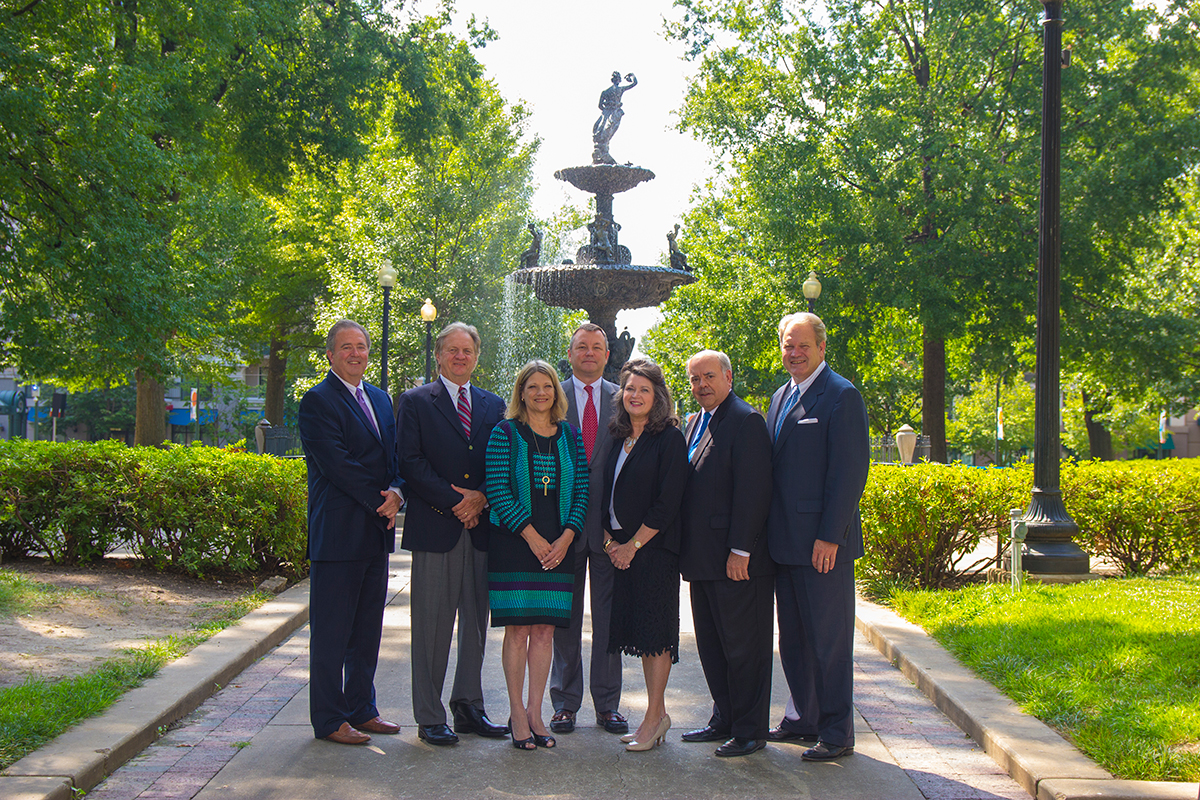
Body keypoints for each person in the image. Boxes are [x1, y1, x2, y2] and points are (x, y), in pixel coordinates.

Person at [396, 322, 509, 746]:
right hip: (436, 527)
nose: (461, 357)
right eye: (453, 350)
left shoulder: (494, 404)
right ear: (440, 355)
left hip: (481, 530)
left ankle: (468, 707)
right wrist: (455, 501)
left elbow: (500, 460)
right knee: (432, 626)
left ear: (477, 356)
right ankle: (429, 715)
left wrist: (480, 497)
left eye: (468, 351)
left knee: (475, 625)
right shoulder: (415, 401)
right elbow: (409, 460)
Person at [766, 312, 870, 761]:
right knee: (793, 639)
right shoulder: (779, 396)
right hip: (784, 545)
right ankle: (803, 717)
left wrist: (831, 536)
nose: (795, 352)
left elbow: (849, 474)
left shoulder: (842, 396)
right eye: (789, 345)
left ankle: (836, 732)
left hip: (823, 546)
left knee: (828, 642)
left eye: (803, 345)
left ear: (822, 348)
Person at [298, 320, 404, 745]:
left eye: (361, 347)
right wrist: (382, 500)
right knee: (332, 633)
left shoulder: (380, 399)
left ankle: (362, 708)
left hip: (375, 533)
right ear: (330, 355)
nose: (357, 354)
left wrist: (398, 492)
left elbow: (394, 455)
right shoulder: (317, 402)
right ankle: (329, 718)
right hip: (339, 534)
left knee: (366, 630)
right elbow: (336, 464)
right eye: (347, 348)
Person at [484, 361, 589, 750]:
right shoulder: (505, 433)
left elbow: (582, 490)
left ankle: (535, 712)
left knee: (544, 631)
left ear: (556, 394)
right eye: (533, 387)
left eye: (547, 386)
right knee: (519, 630)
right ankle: (516, 714)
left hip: (559, 550)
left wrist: (565, 538)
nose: (541, 392)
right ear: (521, 392)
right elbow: (497, 488)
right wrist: (531, 536)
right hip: (515, 545)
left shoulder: (571, 437)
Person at [678, 350, 774, 757]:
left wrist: (741, 550)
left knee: (743, 647)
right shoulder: (697, 421)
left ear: (728, 377)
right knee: (713, 645)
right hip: (701, 558)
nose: (702, 385)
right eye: (695, 379)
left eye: (709, 376)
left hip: (736, 560)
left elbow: (754, 492)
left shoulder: (746, 420)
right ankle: (725, 719)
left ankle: (750, 730)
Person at [601, 358, 688, 752]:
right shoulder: (617, 436)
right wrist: (611, 545)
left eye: (644, 390)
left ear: (658, 397)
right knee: (640, 633)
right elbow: (603, 496)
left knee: (656, 637)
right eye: (630, 389)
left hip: (652, 553)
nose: (635, 395)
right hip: (621, 551)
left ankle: (653, 719)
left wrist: (632, 546)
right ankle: (657, 714)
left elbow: (668, 503)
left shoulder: (668, 438)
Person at [549, 323, 629, 735]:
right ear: (571, 351)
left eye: (597, 347)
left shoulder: (625, 398)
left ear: (606, 352)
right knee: (563, 620)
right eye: (582, 346)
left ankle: (607, 703)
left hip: (610, 533)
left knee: (609, 619)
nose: (590, 353)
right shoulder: (551, 395)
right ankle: (564, 703)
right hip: (562, 530)